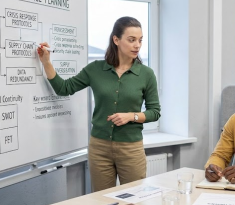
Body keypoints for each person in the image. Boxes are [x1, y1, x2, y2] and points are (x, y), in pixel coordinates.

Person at [37, 16, 161, 192]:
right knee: (102, 200)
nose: (137, 45)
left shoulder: (146, 74)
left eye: (140, 40)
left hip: (131, 149)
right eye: (131, 40)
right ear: (116, 40)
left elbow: (155, 112)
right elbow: (64, 88)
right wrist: (46, 63)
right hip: (99, 148)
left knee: (134, 199)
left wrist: (131, 116)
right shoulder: (95, 69)